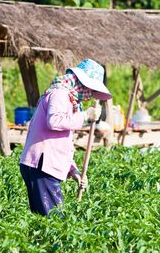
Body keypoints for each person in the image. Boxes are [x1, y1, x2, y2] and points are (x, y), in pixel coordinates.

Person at [19, 59, 112, 216]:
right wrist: (85, 115)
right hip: (41, 165)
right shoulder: (60, 93)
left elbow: (61, 143)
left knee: (42, 219)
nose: (90, 95)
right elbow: (54, 122)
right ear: (81, 83)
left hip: (43, 165)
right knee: (55, 221)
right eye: (90, 89)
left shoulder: (69, 99)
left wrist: (73, 170)